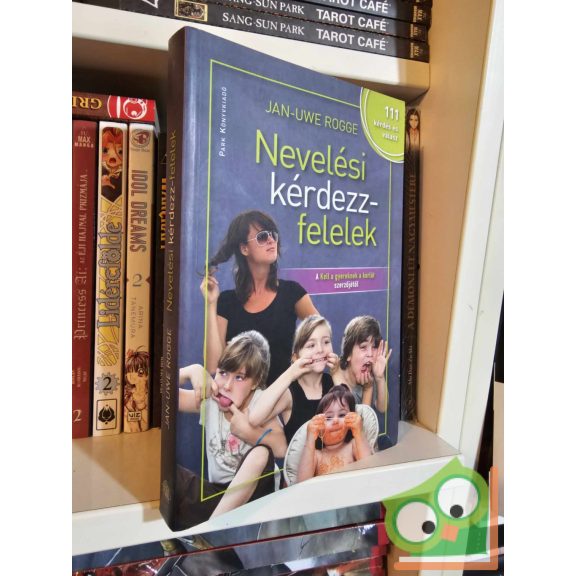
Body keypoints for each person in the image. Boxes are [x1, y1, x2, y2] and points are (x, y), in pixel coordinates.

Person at [201, 210, 318, 386]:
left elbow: (322, 337)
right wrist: (211, 304)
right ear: (244, 248)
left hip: (284, 398)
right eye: (262, 236)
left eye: (273, 234)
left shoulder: (292, 293)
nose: (271, 240)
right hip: (242, 400)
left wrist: (302, 364)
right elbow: (213, 366)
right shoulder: (226, 302)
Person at [178, 331, 286, 518]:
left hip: (258, 498)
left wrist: (249, 431)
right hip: (220, 497)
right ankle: (215, 523)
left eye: (239, 378)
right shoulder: (210, 401)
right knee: (173, 477)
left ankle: (213, 527)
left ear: (255, 383)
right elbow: (160, 394)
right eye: (223, 373)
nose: (226, 386)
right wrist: (189, 371)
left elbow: (282, 448)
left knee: (261, 453)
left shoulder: (260, 403)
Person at [248, 315, 339, 445]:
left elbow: (352, 416)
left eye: (326, 342)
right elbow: (254, 418)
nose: (320, 349)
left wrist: (337, 374)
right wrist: (290, 373)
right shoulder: (290, 394)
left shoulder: (333, 382)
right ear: (296, 358)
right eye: (311, 345)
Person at [297, 384, 373, 482]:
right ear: (319, 428)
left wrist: (359, 432)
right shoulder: (316, 455)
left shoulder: (353, 445)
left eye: (342, 415)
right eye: (329, 417)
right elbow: (302, 482)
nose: (335, 420)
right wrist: (310, 439)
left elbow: (369, 468)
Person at [331, 316, 392, 412]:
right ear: (348, 354)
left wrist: (380, 378)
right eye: (363, 347)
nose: (370, 354)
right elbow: (358, 420)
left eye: (374, 347)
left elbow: (382, 408)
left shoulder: (370, 376)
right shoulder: (337, 379)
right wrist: (368, 389)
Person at [123, 348, 150, 432]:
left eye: (137, 371)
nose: (131, 375)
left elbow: (146, 420)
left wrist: (141, 405)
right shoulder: (127, 395)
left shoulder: (148, 395)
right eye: (129, 371)